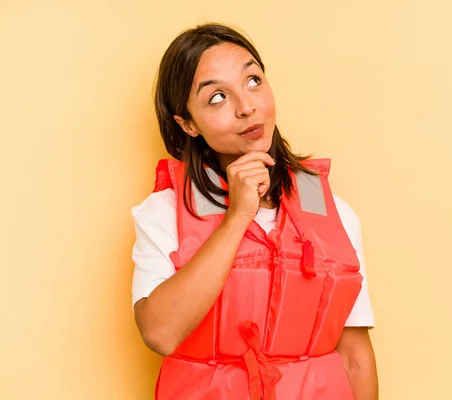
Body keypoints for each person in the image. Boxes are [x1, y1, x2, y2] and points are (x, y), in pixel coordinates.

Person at [131, 23, 378, 399]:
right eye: (217, 97)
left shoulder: (334, 213)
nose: (247, 107)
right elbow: (160, 333)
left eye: (253, 81)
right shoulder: (163, 212)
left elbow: (355, 355)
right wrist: (237, 217)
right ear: (187, 124)